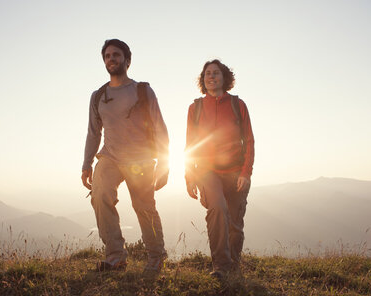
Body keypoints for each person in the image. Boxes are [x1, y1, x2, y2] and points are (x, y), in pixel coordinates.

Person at [82, 39, 169, 273]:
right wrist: (86, 164)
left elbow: (159, 127)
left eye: (116, 55)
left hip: (140, 158)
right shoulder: (98, 95)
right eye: (107, 56)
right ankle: (115, 256)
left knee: (143, 206)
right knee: (99, 195)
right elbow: (93, 132)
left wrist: (165, 163)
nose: (111, 59)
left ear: (127, 60)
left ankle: (156, 256)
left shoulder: (142, 91)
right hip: (109, 156)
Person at [185, 59, 255, 278]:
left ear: (225, 78)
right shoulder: (195, 108)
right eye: (207, 74)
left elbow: (249, 142)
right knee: (217, 208)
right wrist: (189, 176)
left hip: (235, 171)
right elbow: (190, 145)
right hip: (207, 172)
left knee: (235, 224)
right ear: (203, 80)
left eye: (216, 73)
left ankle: (233, 264)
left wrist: (246, 173)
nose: (211, 77)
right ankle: (221, 266)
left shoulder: (238, 105)